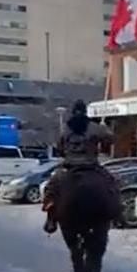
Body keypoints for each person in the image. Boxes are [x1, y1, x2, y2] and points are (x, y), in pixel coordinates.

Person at [42, 100, 116, 234]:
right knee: (112, 183)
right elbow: (111, 140)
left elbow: (59, 147)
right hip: (91, 166)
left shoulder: (66, 128)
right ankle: (118, 215)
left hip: (70, 167)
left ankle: (51, 218)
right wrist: (105, 129)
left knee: (51, 189)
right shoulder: (94, 127)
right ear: (85, 112)